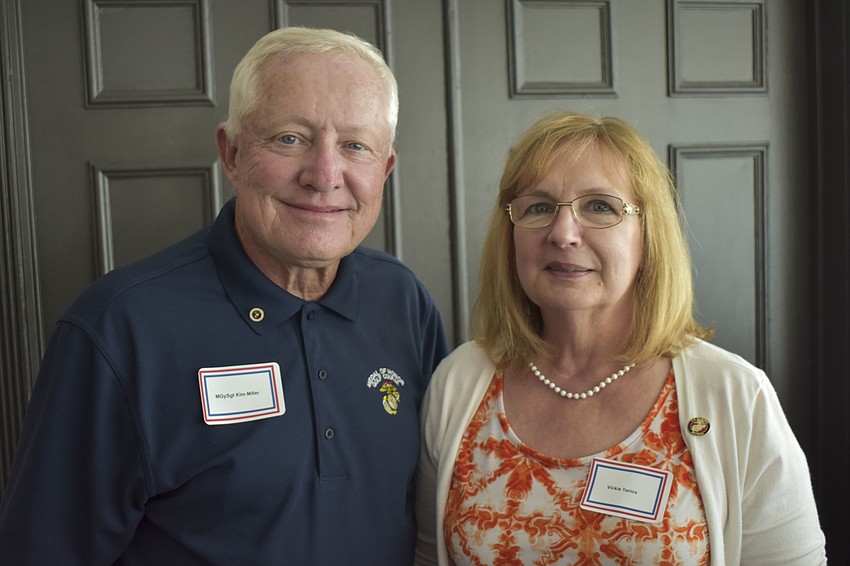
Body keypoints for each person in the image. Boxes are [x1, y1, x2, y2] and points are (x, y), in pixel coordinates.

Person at [0, 27, 448, 564]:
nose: (325, 175)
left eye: (355, 146)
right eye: (290, 138)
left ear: (386, 170)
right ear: (231, 153)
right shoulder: (118, 329)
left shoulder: (401, 300)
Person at [414, 111, 826, 565]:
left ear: (648, 235)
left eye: (600, 206)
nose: (563, 233)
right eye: (539, 207)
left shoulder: (735, 396)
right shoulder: (458, 384)